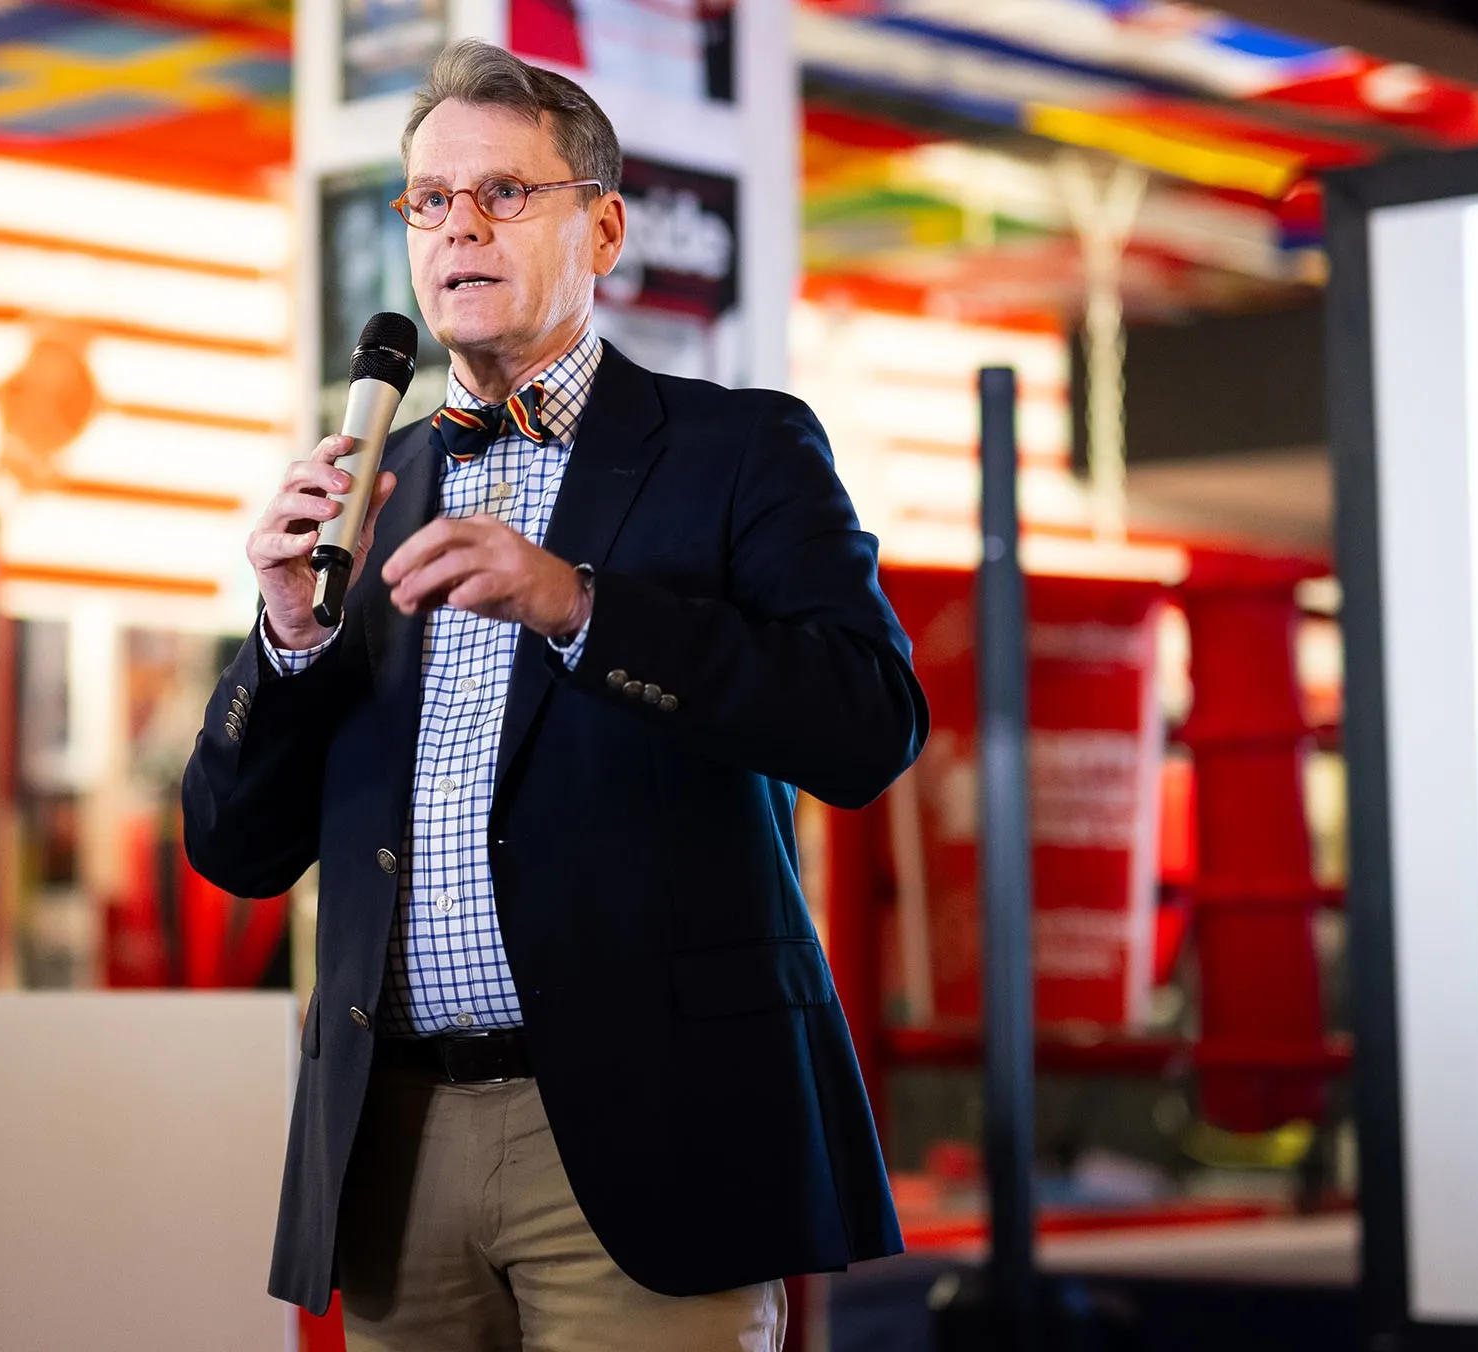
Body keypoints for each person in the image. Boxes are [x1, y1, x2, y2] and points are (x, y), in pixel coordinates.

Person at [182, 39, 927, 1351]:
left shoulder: (737, 450)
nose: (459, 227)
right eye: (430, 200)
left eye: (504, 193)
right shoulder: (370, 486)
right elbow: (235, 852)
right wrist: (289, 640)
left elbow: (868, 724)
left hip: (651, 1128)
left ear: (605, 229)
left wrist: (583, 606)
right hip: (394, 1138)